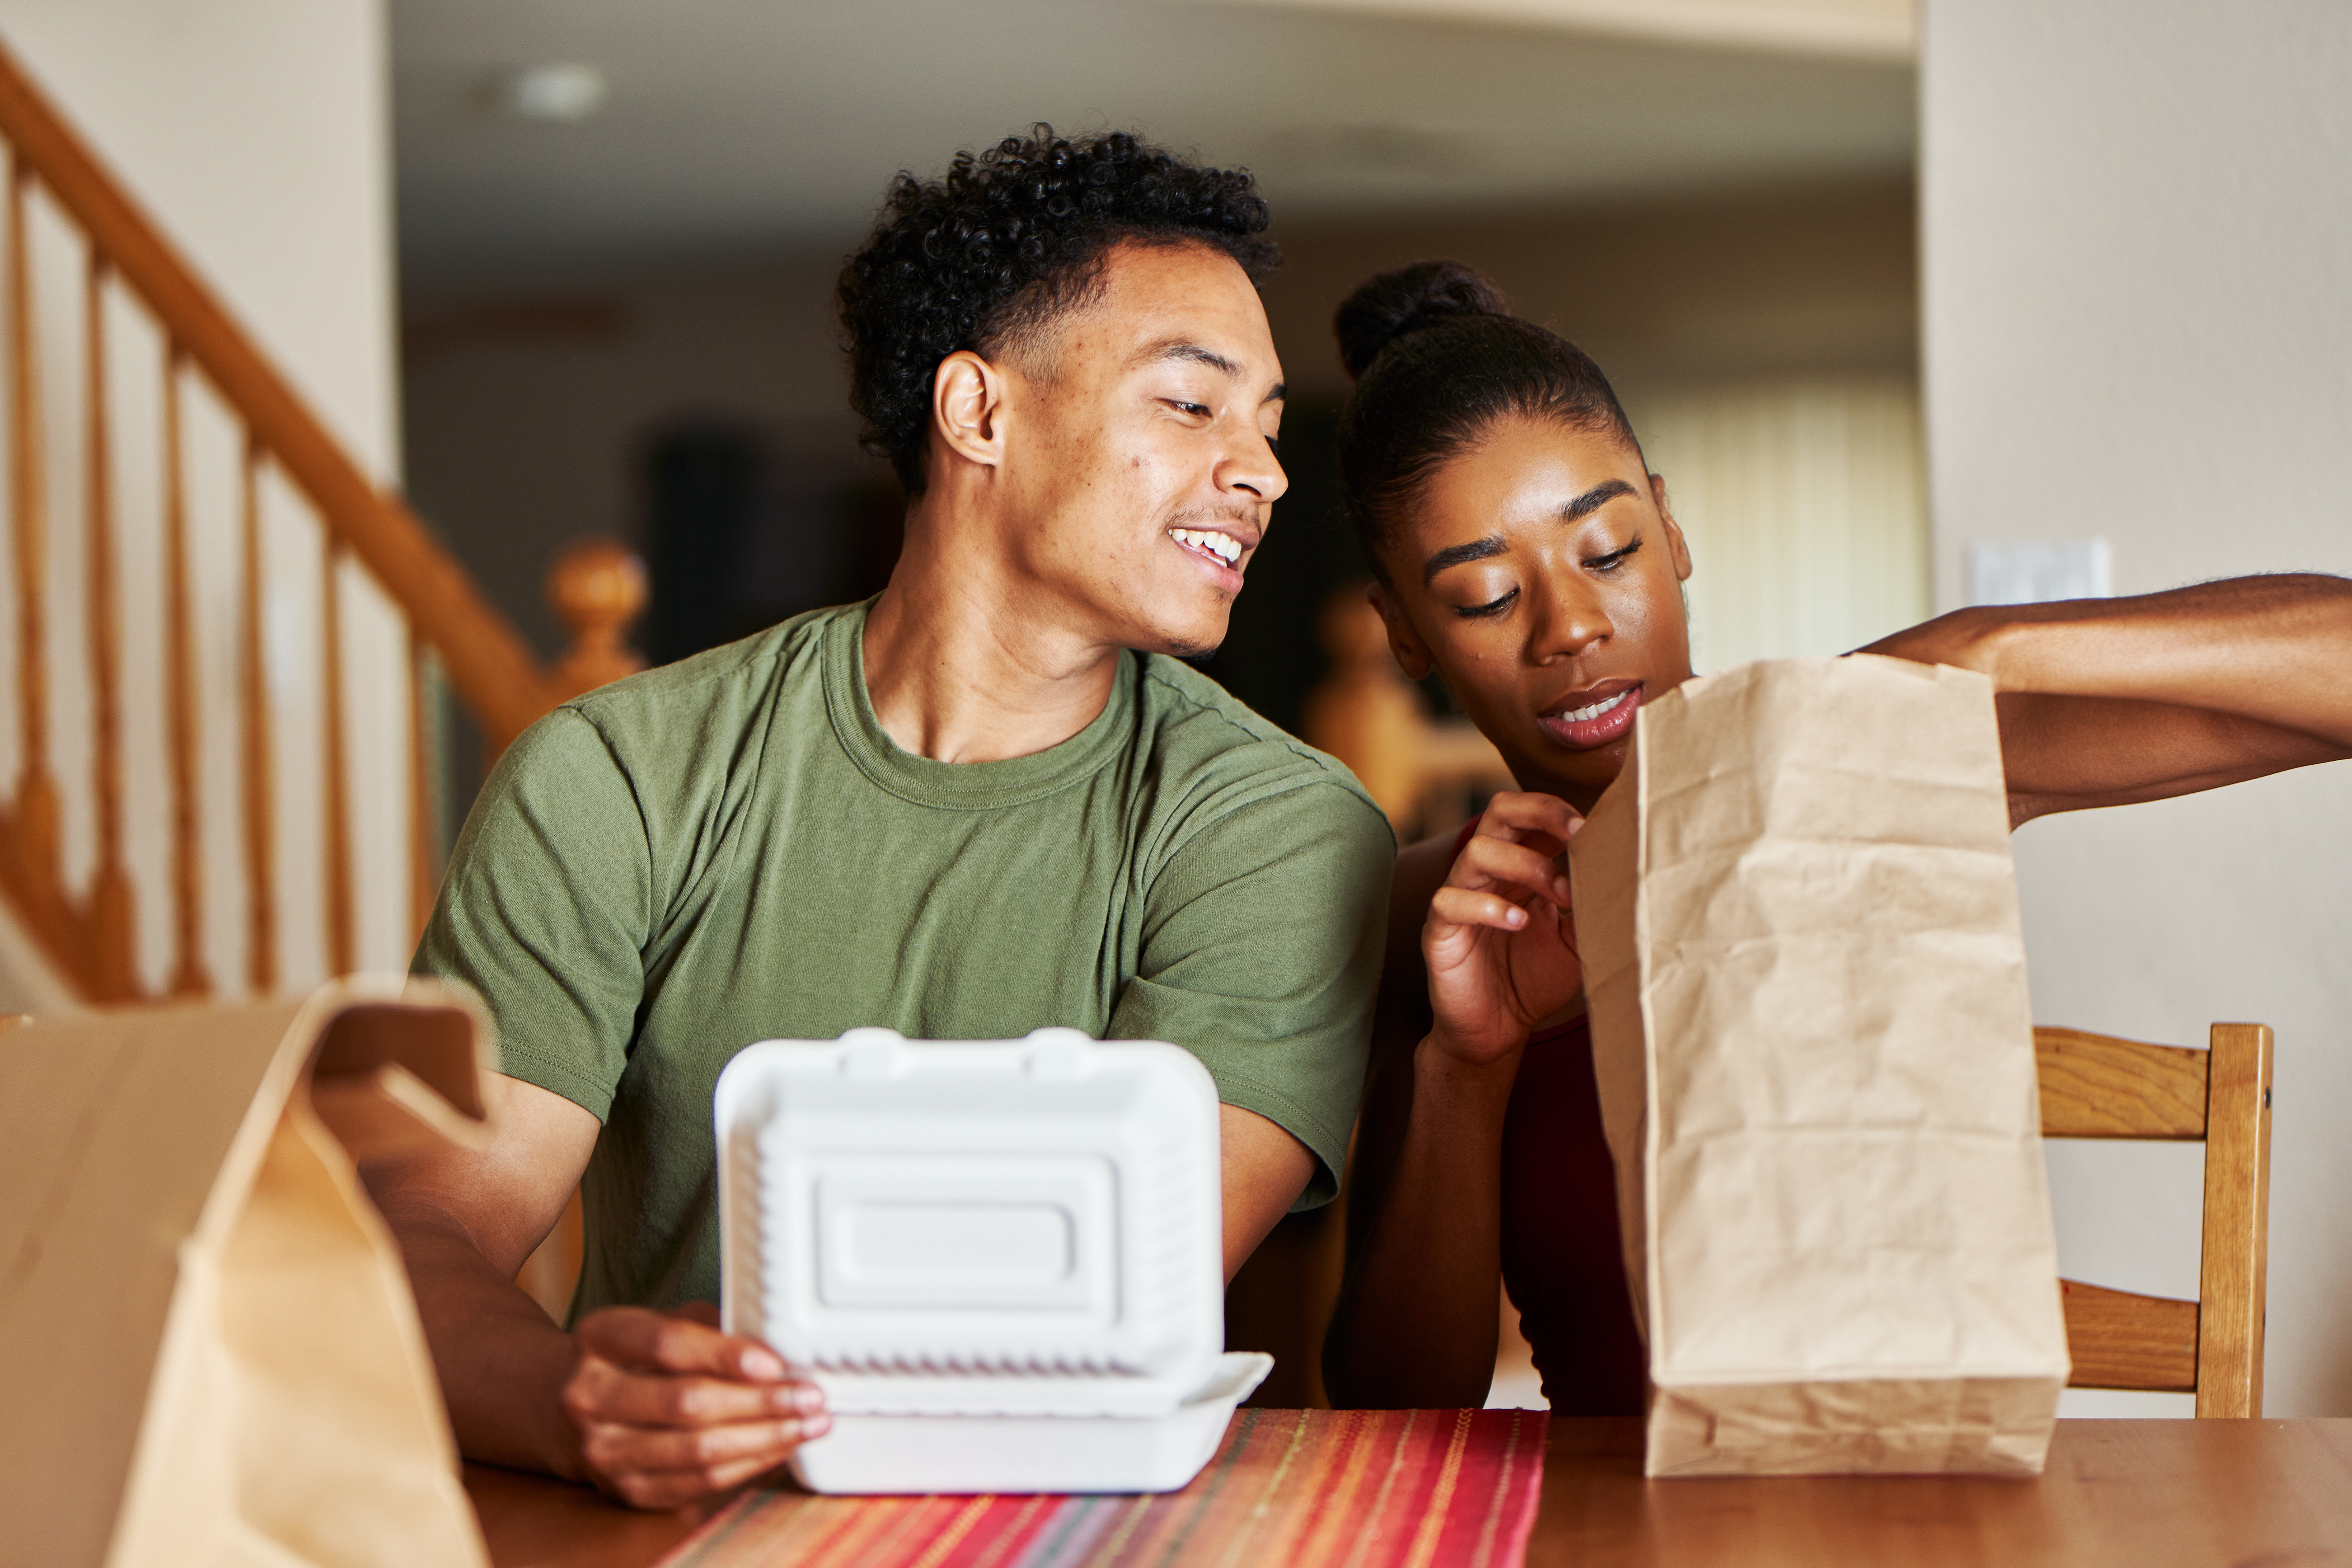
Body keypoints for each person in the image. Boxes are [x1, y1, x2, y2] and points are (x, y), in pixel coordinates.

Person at [371, 128, 1393, 1508]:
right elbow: (421, 1223)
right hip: (676, 1529)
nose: (1262, 472)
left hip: (1082, 1525)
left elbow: (1117, 1285)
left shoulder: (1279, 827)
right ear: (977, 413)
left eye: (1267, 425)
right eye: (1193, 405)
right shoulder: (614, 773)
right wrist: (565, 1396)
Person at [1317, 260, 2352, 1412]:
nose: (1569, 628)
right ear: (1405, 634)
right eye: (1481, 598)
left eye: (1607, 551)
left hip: (1923, 1510)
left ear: (1670, 528)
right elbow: (1395, 1406)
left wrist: (1990, 648)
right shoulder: (1437, 915)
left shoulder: (1862, 759)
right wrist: (1469, 1065)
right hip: (1616, 1528)